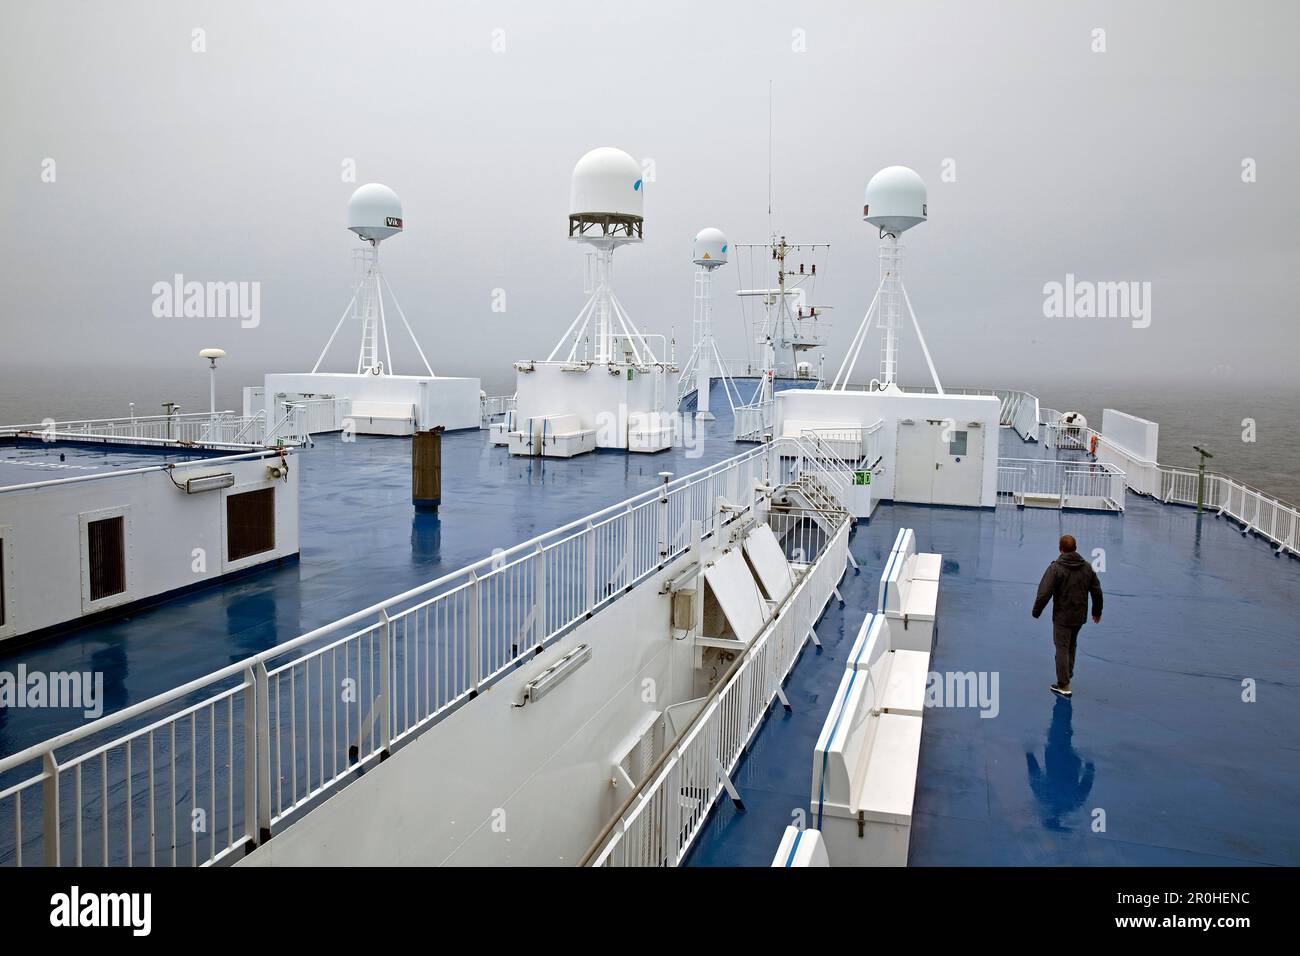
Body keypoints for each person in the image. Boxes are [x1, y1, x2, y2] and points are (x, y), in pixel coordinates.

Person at [1031, 534, 1102, 698]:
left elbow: (1044, 593)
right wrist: (1097, 612)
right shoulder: (1087, 568)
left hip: (1062, 616)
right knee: (1071, 644)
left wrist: (1037, 611)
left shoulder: (1055, 568)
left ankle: (1063, 684)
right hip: (1079, 616)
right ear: (1075, 548)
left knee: (1061, 647)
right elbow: (1097, 591)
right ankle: (1068, 673)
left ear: (1060, 549)